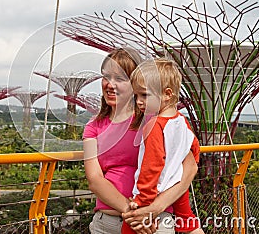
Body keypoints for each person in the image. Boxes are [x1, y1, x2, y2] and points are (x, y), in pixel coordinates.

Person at [83, 48, 199, 234]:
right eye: (106, 77)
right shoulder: (92, 127)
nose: (110, 85)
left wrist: (154, 209)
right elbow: (95, 179)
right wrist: (135, 214)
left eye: (120, 79)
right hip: (108, 223)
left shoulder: (157, 119)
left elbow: (190, 167)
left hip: (154, 223)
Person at [121, 58, 204, 233]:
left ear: (167, 94)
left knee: (128, 228)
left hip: (152, 193)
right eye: (136, 95)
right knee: (188, 223)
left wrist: (142, 201)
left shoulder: (154, 125)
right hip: (177, 187)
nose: (138, 101)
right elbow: (194, 149)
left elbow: (151, 167)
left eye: (144, 95)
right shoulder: (181, 121)